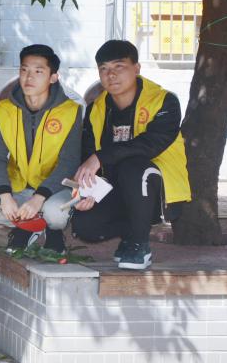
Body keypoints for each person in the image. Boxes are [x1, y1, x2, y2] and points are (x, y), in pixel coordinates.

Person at [72, 39, 191, 271]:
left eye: (119, 66)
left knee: (133, 166)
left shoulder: (164, 101)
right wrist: (87, 191)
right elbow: (87, 154)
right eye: (104, 69)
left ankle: (139, 243)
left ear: (136, 68)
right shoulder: (96, 108)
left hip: (157, 189)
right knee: (85, 225)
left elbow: (150, 144)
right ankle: (130, 234)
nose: (111, 75)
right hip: (115, 187)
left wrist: (100, 157)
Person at [0, 44, 82, 252]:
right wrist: (5, 194)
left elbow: (69, 163)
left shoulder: (70, 111)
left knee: (56, 214)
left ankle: (50, 229)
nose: (29, 77)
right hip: (19, 185)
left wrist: (39, 198)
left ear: (53, 77)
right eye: (24, 70)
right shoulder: (5, 109)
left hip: (55, 189)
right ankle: (29, 227)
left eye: (38, 71)